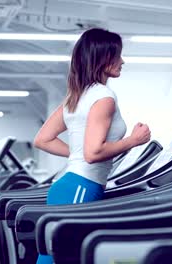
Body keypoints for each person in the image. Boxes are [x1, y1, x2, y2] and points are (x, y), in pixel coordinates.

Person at [33, 28, 151, 264]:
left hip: (69, 184)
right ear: (103, 57)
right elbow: (93, 152)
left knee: (52, 259)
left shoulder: (77, 96)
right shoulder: (104, 97)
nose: (122, 61)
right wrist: (133, 141)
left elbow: (42, 139)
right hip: (82, 187)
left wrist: (76, 154)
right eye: (118, 55)